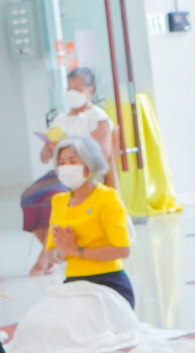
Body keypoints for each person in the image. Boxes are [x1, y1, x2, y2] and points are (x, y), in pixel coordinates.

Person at [25, 66, 117, 258]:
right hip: (61, 173)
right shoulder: (61, 119)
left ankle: (49, 255)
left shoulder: (97, 117)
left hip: (86, 174)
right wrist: (49, 148)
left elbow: (103, 152)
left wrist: (73, 148)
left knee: (54, 198)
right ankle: (55, 248)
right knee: (30, 197)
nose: (72, 93)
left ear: (90, 90)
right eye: (69, 89)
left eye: (77, 89)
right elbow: (44, 158)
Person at [39, 137, 134, 303]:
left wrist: (77, 251)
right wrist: (64, 251)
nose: (66, 167)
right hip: (74, 284)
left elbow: (122, 250)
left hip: (109, 282)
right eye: (61, 163)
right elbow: (51, 254)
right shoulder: (59, 201)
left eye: (72, 161)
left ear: (89, 165)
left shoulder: (108, 197)